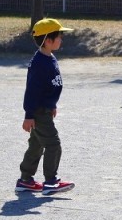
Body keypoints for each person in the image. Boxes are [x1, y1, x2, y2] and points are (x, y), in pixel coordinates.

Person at [15, 18, 76, 195]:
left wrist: (52, 105)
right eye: (59, 37)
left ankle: (25, 180)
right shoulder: (39, 63)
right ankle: (51, 182)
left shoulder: (49, 57)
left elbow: (48, 87)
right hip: (38, 113)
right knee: (53, 144)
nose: (61, 39)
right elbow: (32, 91)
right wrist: (28, 115)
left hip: (45, 110)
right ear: (48, 40)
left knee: (36, 145)